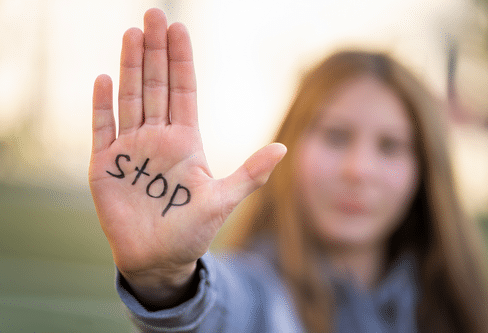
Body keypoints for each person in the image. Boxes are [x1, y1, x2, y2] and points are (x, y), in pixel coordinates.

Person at [89, 8, 488, 332]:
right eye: (335, 135)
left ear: (426, 171)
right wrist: (167, 279)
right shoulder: (258, 296)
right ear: (291, 147)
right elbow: (218, 309)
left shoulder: (463, 302)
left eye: (390, 146)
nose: (358, 170)